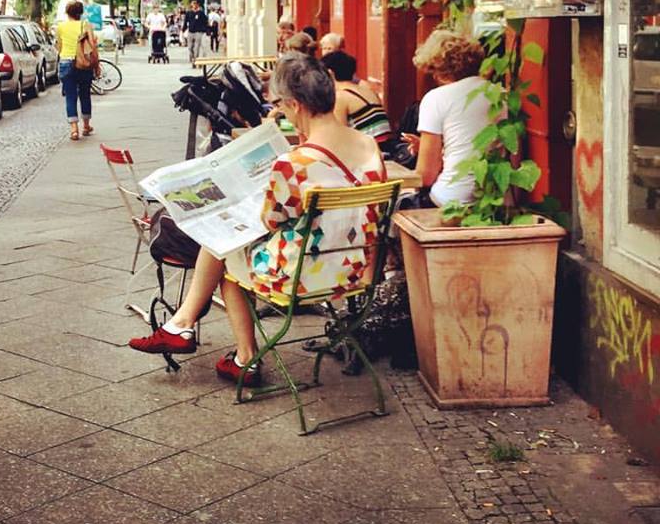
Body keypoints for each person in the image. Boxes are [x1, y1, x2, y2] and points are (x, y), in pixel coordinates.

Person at [129, 53, 386, 385]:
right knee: (225, 244)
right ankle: (185, 327)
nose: (280, 112)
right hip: (353, 269)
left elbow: (270, 221)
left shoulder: (295, 163)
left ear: (296, 105)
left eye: (280, 105)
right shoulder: (368, 145)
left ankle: (238, 354)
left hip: (302, 275)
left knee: (224, 250)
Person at [403, 30, 493, 207]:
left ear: (439, 70)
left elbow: (426, 176)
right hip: (492, 201)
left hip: (450, 200)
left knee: (394, 208)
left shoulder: (436, 98)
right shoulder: (499, 95)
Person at [321, 50, 394, 148]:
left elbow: (339, 137)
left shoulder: (341, 97)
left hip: (370, 152)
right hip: (386, 147)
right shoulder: (367, 90)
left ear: (330, 74)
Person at [55, 0, 97, 141]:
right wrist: (96, 63)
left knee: (70, 96)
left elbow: (59, 46)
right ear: (81, 13)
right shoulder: (85, 24)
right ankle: (86, 126)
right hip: (83, 63)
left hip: (66, 62)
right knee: (85, 94)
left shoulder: (60, 27)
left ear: (67, 13)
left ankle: (74, 129)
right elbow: (92, 44)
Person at [183, 0, 209, 66]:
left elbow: (205, 22)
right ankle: (192, 58)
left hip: (198, 32)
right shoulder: (189, 13)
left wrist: (205, 30)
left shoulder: (201, 13)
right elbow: (185, 22)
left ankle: (195, 61)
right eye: (193, 4)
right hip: (191, 32)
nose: (194, 5)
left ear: (197, 5)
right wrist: (183, 30)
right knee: (190, 47)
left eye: (195, 4)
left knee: (196, 48)